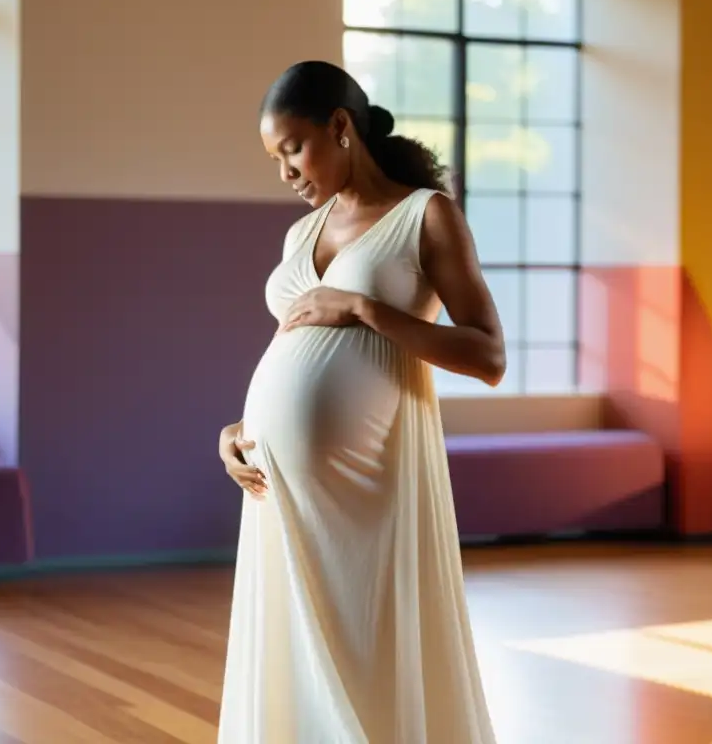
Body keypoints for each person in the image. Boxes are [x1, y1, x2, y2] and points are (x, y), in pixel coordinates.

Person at [216, 60, 504, 744]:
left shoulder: (425, 216)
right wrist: (242, 428)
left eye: (292, 148)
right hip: (274, 484)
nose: (285, 171)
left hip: (365, 488)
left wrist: (365, 308)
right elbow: (294, 351)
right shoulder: (301, 235)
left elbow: (488, 355)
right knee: (292, 649)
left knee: (360, 645)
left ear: (340, 126)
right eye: (274, 157)